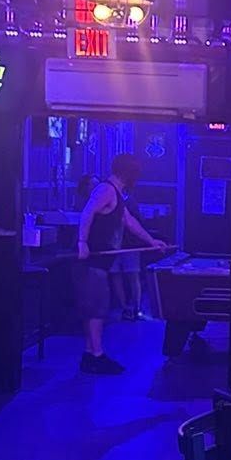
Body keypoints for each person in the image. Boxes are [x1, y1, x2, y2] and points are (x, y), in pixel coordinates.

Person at [74, 154, 165, 375]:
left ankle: (89, 354)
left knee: (94, 309)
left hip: (101, 262)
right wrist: (82, 242)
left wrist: (151, 241)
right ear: (128, 173)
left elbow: (129, 221)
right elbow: (87, 213)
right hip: (93, 260)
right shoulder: (105, 190)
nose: (137, 178)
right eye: (136, 173)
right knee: (97, 310)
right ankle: (96, 356)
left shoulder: (116, 193)